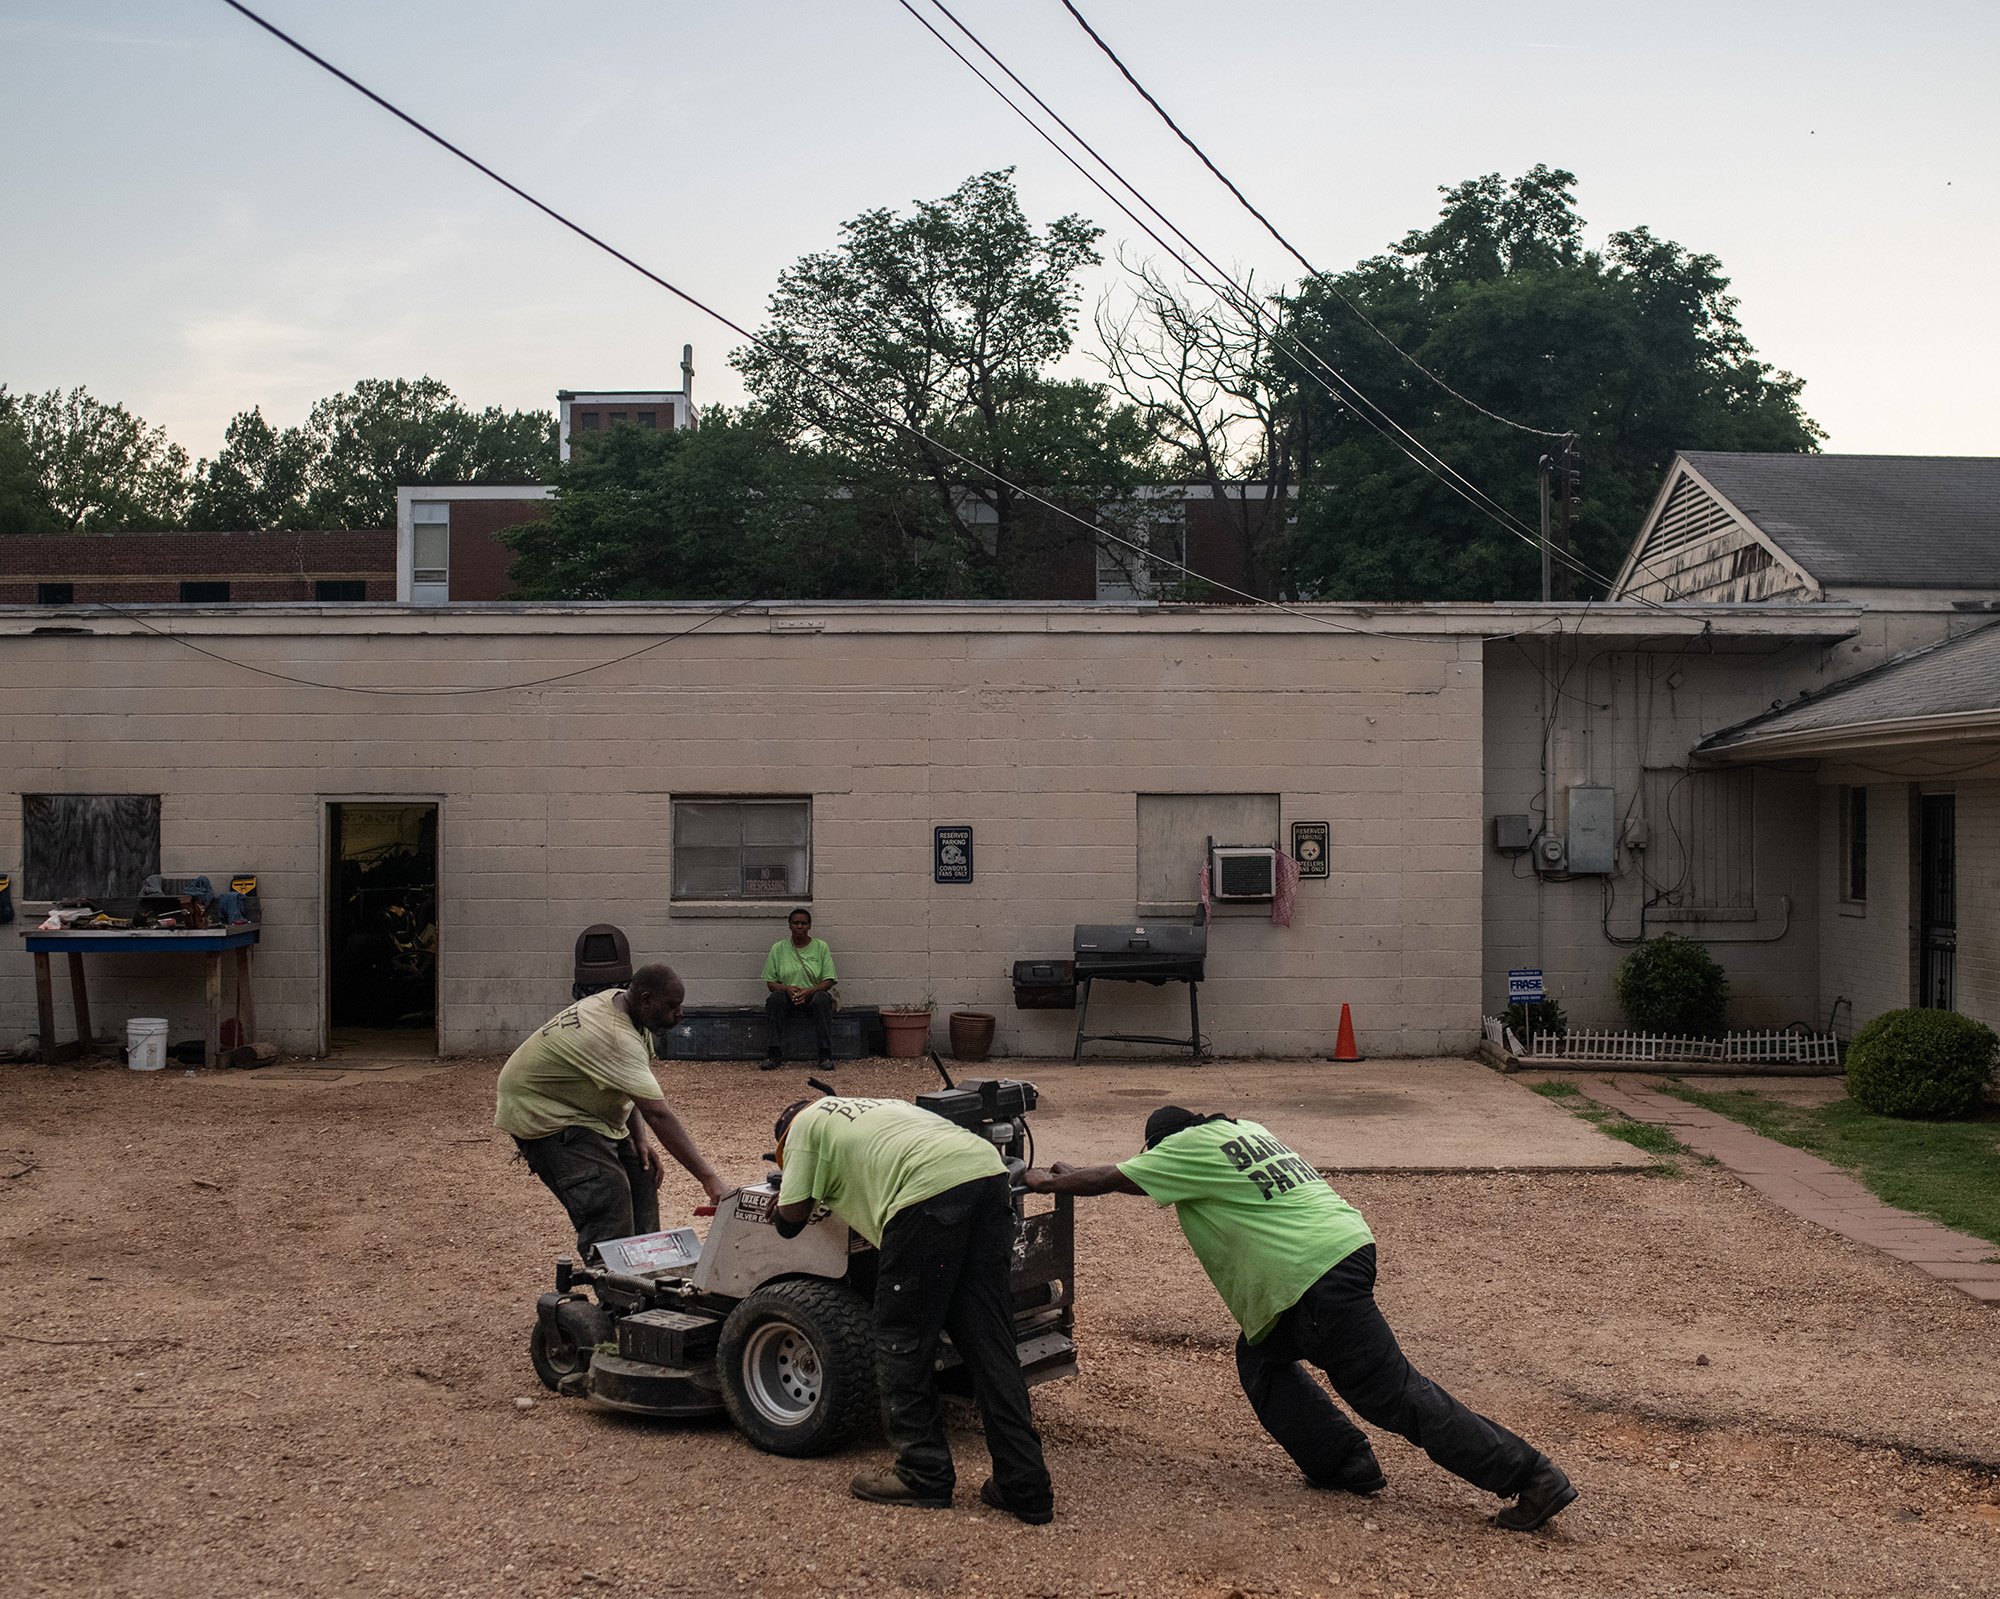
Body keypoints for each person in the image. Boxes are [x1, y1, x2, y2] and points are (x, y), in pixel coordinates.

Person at [1023, 1107, 1577, 1533]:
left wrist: (1046, 1182)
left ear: (1160, 1144)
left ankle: (1529, 1476)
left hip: (1313, 1278)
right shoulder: (1241, 1130)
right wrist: (1075, 1172)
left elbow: (1111, 1178)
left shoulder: (1183, 1148)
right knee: (1261, 1355)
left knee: (1389, 1393)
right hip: (1344, 1248)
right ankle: (1342, 1462)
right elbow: (1121, 1174)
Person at [766, 1095, 1055, 1525]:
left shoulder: (803, 1128)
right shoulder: (870, 1106)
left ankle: (923, 1474)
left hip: (928, 1196)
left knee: (901, 1339)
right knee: (988, 1342)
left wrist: (781, 1203)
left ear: (785, 1140)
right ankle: (1025, 1484)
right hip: (987, 1176)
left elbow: (792, 1216)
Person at [496, 963, 730, 1254]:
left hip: (583, 1109)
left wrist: (638, 1139)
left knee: (641, 1173)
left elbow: (624, 1084)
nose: (679, 1014)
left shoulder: (624, 1005)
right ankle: (616, 1289)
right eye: (672, 1006)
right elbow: (658, 1114)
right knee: (607, 1194)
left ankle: (647, 1278)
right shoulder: (616, 1036)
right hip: (544, 1111)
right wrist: (709, 1179)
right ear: (646, 1000)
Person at [762, 907, 838, 1071]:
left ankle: (825, 1053)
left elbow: (829, 980)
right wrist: (786, 988)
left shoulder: (821, 947)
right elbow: (770, 983)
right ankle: (773, 1052)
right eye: (795, 923)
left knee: (822, 999)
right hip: (788, 997)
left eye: (803, 923)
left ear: (810, 926)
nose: (799, 926)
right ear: (789, 925)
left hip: (812, 997)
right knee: (775, 999)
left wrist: (809, 991)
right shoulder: (778, 948)